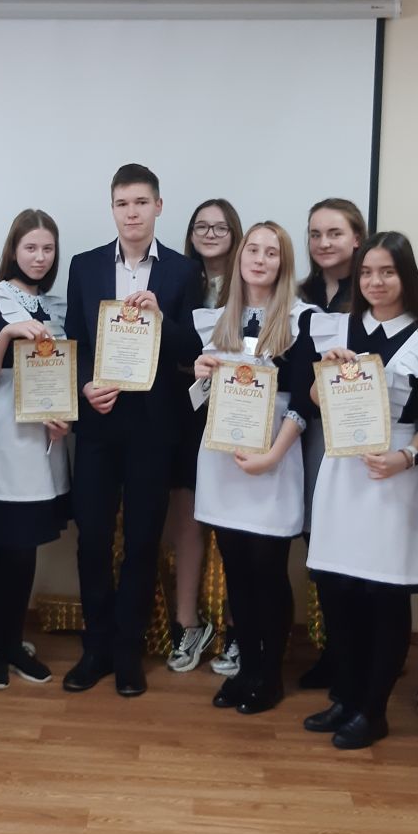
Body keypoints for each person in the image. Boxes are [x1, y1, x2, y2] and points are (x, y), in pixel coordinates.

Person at [298, 232, 418, 750]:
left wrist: (407, 456)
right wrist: (327, 375)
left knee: (383, 594)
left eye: (387, 272)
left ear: (405, 276)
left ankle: (373, 710)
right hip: (342, 467)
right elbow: (313, 397)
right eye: (367, 272)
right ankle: (344, 697)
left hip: (394, 470)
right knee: (338, 590)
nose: (375, 282)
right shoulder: (336, 327)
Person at [63, 163, 201, 697]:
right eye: (122, 203)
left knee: (143, 542)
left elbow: (194, 350)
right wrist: (83, 386)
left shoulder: (183, 272)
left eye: (141, 202)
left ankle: (128, 652)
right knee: (93, 539)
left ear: (158, 206)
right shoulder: (85, 265)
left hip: (154, 426)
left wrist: (163, 318)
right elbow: (75, 341)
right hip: (99, 422)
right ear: (113, 209)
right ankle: (95, 647)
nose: (132, 213)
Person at [193, 222, 307, 716]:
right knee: (236, 569)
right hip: (223, 459)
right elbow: (203, 399)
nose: (260, 259)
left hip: (273, 457)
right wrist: (200, 375)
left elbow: (305, 401)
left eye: (271, 252)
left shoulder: (303, 320)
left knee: (268, 571)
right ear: (239, 258)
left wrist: (273, 455)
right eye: (253, 250)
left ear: (284, 263)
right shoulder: (217, 319)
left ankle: (270, 673)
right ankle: (247, 669)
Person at [0, 209, 70, 690]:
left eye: (48, 248)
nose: (39, 257)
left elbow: (66, 371)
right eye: (30, 247)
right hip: (5, 436)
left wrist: (65, 417)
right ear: (13, 249)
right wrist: (8, 333)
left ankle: (10, 643)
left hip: (45, 439)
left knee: (25, 545)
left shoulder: (58, 306)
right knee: (1, 544)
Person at [166, 197, 242, 675]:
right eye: (201, 226)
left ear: (235, 234)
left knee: (236, 525)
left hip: (238, 410)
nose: (210, 234)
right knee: (186, 520)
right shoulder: (177, 280)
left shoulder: (252, 280)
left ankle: (238, 627)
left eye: (220, 227)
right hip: (185, 409)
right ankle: (187, 623)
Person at [295, 197, 368, 689]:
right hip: (310, 431)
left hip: (361, 434)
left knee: (356, 543)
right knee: (318, 541)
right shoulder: (300, 295)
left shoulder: (373, 289)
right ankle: (333, 651)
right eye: (316, 234)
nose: (324, 243)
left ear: (357, 238)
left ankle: (362, 657)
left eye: (335, 233)